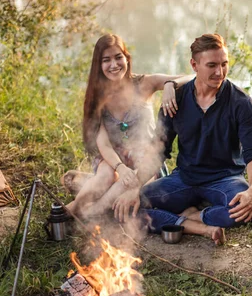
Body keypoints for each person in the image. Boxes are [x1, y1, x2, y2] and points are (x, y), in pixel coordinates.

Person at [141, 33, 252, 245]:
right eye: (212, 65)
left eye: (224, 64)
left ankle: (191, 216)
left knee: (238, 210)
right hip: (184, 178)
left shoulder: (241, 102)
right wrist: (133, 187)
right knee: (133, 204)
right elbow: (158, 150)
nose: (220, 72)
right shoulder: (176, 99)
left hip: (225, 179)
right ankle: (198, 226)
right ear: (194, 65)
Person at [66, 34, 190, 223]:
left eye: (118, 57)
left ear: (127, 58)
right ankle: (72, 208)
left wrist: (170, 85)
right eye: (106, 60)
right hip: (113, 160)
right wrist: (121, 168)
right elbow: (104, 144)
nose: (114, 64)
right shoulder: (97, 96)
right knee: (106, 175)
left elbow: (193, 76)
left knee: (128, 181)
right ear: (98, 65)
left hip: (146, 162)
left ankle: (91, 215)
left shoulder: (144, 83)